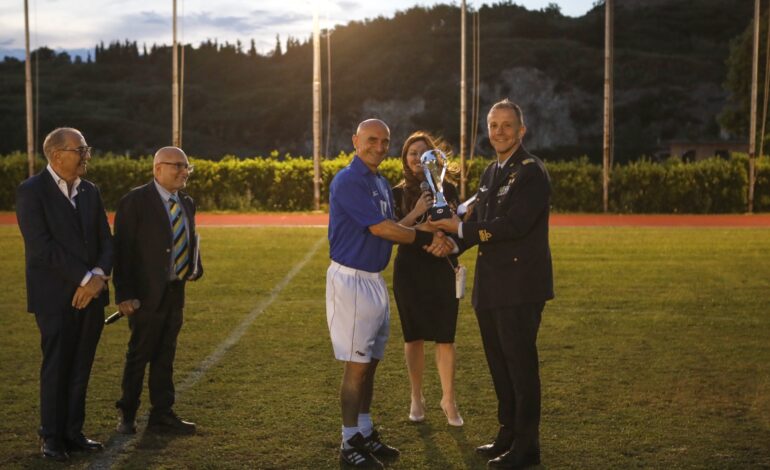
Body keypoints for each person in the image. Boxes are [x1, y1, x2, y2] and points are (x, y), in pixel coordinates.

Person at [430, 99, 554, 469]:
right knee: (500, 365)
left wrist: (459, 229)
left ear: (521, 130)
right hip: (492, 286)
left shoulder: (531, 172)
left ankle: (527, 446)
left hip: (520, 287)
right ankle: (508, 433)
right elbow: (480, 223)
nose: (499, 132)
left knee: (520, 365)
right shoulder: (490, 172)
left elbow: (513, 226)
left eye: (506, 125)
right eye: (494, 125)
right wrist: (451, 243)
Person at [326, 119, 455, 469]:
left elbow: (396, 227)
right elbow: (381, 228)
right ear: (355, 141)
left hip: (374, 280)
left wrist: (422, 222)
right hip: (351, 280)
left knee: (370, 363)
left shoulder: (380, 183)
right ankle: (348, 442)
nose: (379, 147)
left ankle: (364, 432)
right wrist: (429, 238)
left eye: (384, 141)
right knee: (356, 367)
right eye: (371, 140)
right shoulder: (349, 180)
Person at [16, 127, 113, 461]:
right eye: (80, 149)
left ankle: (73, 433)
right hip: (55, 297)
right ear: (57, 155)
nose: (86, 154)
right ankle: (51, 437)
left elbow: (106, 240)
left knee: (81, 366)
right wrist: (84, 279)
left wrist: (98, 277)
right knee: (57, 366)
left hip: (93, 294)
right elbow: (42, 247)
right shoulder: (32, 191)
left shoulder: (91, 191)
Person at [112, 146, 203, 435]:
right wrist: (124, 293)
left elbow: (190, 239)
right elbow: (123, 251)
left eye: (186, 166)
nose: (182, 171)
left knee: (166, 353)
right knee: (140, 353)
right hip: (144, 294)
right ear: (157, 169)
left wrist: (195, 266)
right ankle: (127, 413)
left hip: (175, 291)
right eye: (176, 165)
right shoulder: (135, 201)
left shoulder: (187, 202)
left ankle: (162, 413)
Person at [391, 131, 463, 426]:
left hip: (442, 265)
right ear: (404, 159)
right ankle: (416, 396)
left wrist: (443, 240)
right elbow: (393, 231)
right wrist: (421, 215)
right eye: (411, 152)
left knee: (445, 336)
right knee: (414, 337)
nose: (417, 158)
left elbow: (459, 226)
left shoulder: (450, 189)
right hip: (410, 270)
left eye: (423, 153)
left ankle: (448, 398)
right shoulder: (394, 192)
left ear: (433, 157)